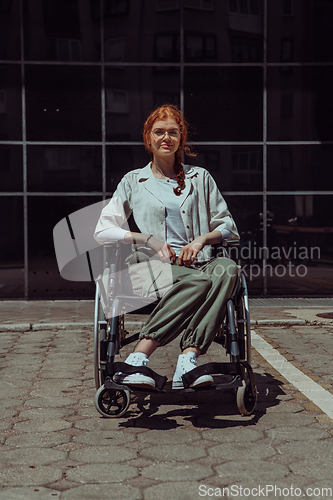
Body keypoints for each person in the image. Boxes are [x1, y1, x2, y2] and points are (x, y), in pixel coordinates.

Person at [94, 104, 239, 390]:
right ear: (148, 139)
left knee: (228, 269)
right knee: (198, 282)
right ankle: (137, 359)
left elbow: (228, 227)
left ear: (181, 139)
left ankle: (188, 361)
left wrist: (200, 240)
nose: (166, 138)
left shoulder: (201, 178)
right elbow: (103, 229)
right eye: (159, 132)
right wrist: (146, 239)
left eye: (173, 133)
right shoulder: (134, 181)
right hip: (150, 269)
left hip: (198, 265)